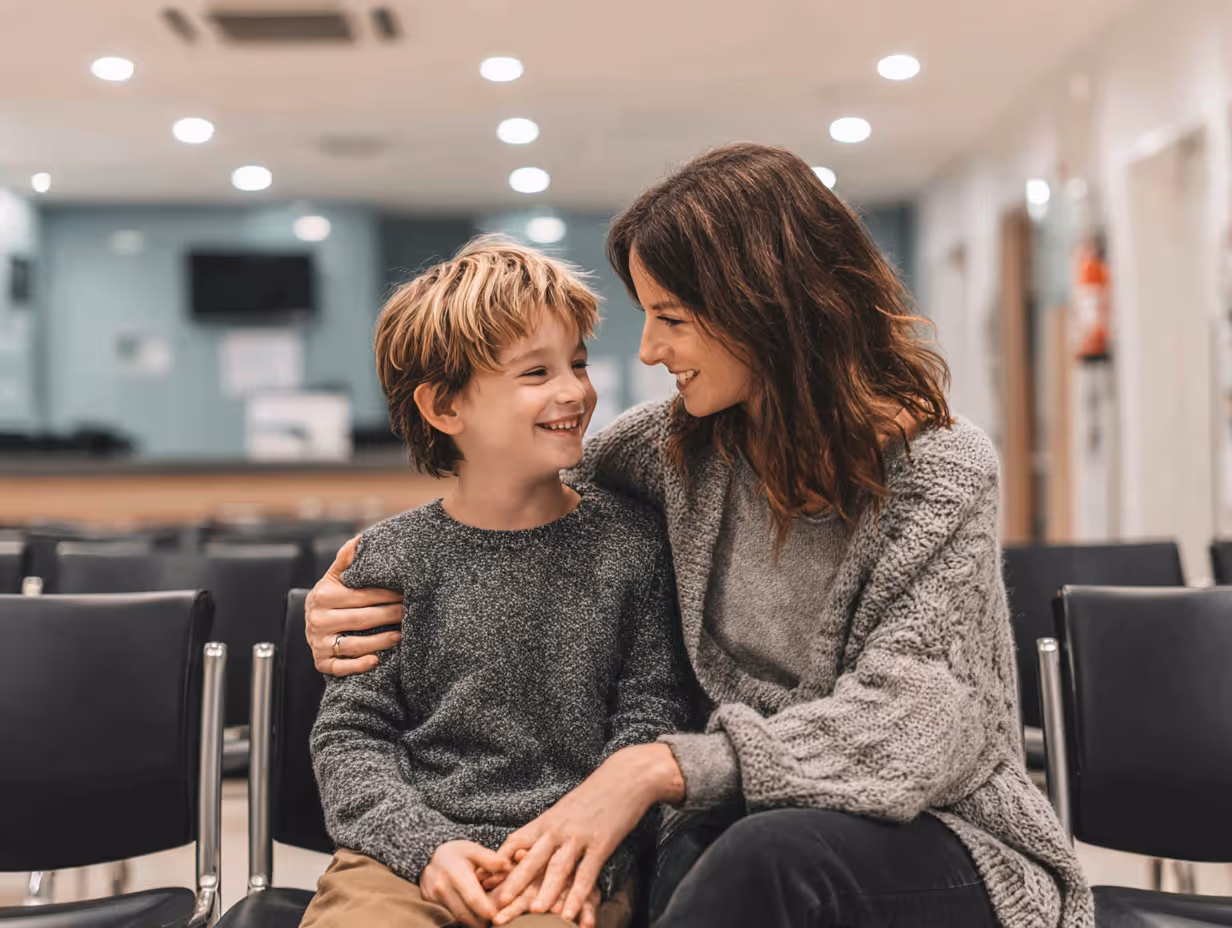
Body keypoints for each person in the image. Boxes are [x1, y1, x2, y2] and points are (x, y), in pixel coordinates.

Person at [307, 143, 1094, 928]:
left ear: (768, 311)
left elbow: (917, 731)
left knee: (755, 859)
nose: (647, 351)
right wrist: (337, 596)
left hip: (934, 830)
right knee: (697, 861)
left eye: (671, 319)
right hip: (737, 817)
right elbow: (512, 516)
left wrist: (662, 768)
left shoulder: (940, 470)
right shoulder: (672, 449)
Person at [300, 236, 691, 928]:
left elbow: (650, 719)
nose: (575, 390)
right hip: (405, 859)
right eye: (535, 374)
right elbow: (352, 739)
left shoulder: (634, 545)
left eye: (577, 362)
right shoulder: (387, 560)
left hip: (570, 854)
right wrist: (425, 846)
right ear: (445, 409)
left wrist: (592, 848)